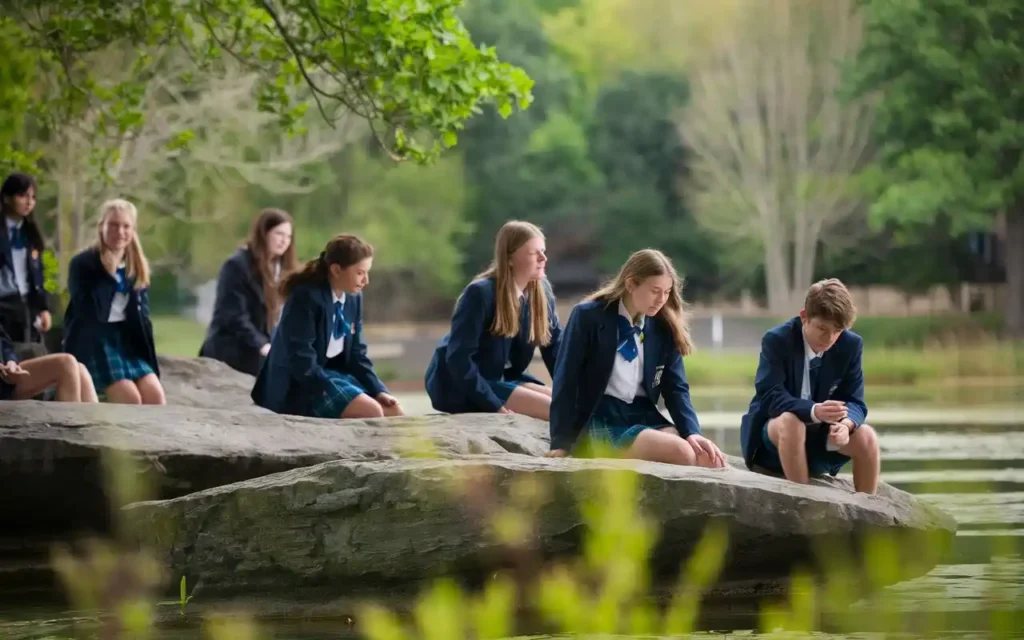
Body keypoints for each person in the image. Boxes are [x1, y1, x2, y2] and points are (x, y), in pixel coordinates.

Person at [547, 249, 726, 467]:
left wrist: (692, 432)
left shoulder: (663, 326)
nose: (662, 300)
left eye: (667, 292)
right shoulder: (588, 316)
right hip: (601, 416)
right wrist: (560, 442)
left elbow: (676, 388)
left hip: (642, 413)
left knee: (708, 459)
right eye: (655, 291)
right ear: (631, 284)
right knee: (682, 453)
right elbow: (566, 378)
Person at [740, 278, 881, 493]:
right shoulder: (778, 340)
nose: (830, 338)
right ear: (804, 317)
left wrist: (846, 424)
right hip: (773, 446)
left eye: (837, 330)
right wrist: (814, 411)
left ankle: (871, 513)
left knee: (867, 436)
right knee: (791, 422)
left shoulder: (851, 345)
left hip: (822, 441)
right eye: (823, 328)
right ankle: (804, 503)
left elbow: (855, 401)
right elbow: (770, 396)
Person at [251, 234, 402, 419]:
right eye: (360, 273)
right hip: (301, 383)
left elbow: (357, 355)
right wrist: (330, 387)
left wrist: (378, 390)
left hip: (331, 374)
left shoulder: (354, 298)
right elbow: (301, 359)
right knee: (372, 411)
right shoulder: (306, 297)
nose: (366, 281)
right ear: (336, 270)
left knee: (393, 412)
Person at [425, 220, 562, 420]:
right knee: (557, 411)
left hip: (504, 377)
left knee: (571, 405)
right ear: (510, 258)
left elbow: (556, 349)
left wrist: (575, 389)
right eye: (534, 253)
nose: (543, 258)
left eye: (543, 251)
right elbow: (458, 359)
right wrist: (492, 404)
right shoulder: (480, 293)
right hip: (462, 384)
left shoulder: (542, 291)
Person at [63, 199, 166, 405]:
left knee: (156, 396)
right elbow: (88, 313)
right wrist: (108, 277)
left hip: (125, 341)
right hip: (95, 341)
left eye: (126, 226)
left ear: (133, 230)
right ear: (102, 227)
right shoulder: (82, 264)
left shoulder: (135, 265)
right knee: (131, 399)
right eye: (114, 225)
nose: (120, 232)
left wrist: (149, 359)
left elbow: (143, 318)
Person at [200, 208, 298, 375]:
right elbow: (233, 316)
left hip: (262, 348)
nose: (284, 241)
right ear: (264, 233)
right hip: (232, 348)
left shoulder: (281, 270)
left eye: (288, 236)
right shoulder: (238, 266)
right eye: (279, 234)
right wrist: (262, 345)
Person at [0, 173, 52, 347]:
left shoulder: (30, 234)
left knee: (31, 355)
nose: (29, 202)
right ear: (7, 198)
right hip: (4, 303)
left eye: (33, 197)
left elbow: (38, 275)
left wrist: (43, 308)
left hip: (27, 304)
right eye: (22, 196)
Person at [1, 323, 98, 403]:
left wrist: (11, 362)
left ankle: (96, 425)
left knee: (79, 368)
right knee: (65, 363)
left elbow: (4, 343)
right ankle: (70, 424)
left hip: (6, 374)